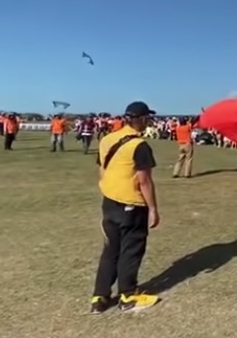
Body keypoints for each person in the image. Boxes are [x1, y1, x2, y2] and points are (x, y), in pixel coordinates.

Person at [90, 101, 161, 314]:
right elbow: (144, 181)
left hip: (110, 201)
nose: (149, 121)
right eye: (147, 118)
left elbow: (102, 169)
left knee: (110, 250)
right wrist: (153, 209)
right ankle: (128, 295)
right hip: (131, 204)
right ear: (140, 120)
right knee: (131, 249)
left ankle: (99, 296)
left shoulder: (108, 139)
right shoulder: (139, 145)